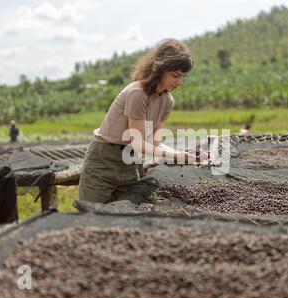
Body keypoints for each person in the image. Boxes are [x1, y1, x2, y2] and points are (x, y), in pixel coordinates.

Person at [78, 39, 207, 205]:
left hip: (131, 161)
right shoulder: (137, 93)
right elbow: (139, 143)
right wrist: (177, 156)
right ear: (159, 69)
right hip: (104, 160)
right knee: (91, 215)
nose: (179, 82)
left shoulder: (167, 101)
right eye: (175, 76)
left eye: (183, 77)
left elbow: (154, 142)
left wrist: (185, 156)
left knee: (129, 215)